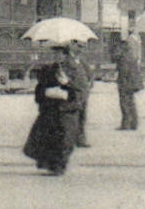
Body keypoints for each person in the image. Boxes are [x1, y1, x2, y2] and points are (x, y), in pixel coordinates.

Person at [24, 42, 84, 175]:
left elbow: (81, 90)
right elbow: (40, 87)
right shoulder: (49, 69)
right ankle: (51, 165)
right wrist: (45, 93)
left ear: (66, 55)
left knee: (64, 138)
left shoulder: (75, 69)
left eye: (59, 54)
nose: (56, 56)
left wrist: (67, 83)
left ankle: (60, 166)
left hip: (67, 109)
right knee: (49, 137)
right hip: (51, 108)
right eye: (54, 53)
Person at [113, 33, 144, 131]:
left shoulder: (124, 55)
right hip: (132, 81)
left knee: (125, 102)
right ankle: (134, 123)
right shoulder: (132, 53)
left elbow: (123, 69)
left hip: (125, 81)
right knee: (131, 102)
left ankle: (126, 124)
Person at [67, 41, 94, 147]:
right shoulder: (66, 60)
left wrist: (89, 84)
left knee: (82, 117)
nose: (81, 49)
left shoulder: (82, 60)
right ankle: (70, 140)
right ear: (72, 46)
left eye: (82, 47)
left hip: (83, 93)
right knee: (72, 116)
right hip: (73, 92)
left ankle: (81, 139)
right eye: (79, 47)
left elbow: (90, 74)